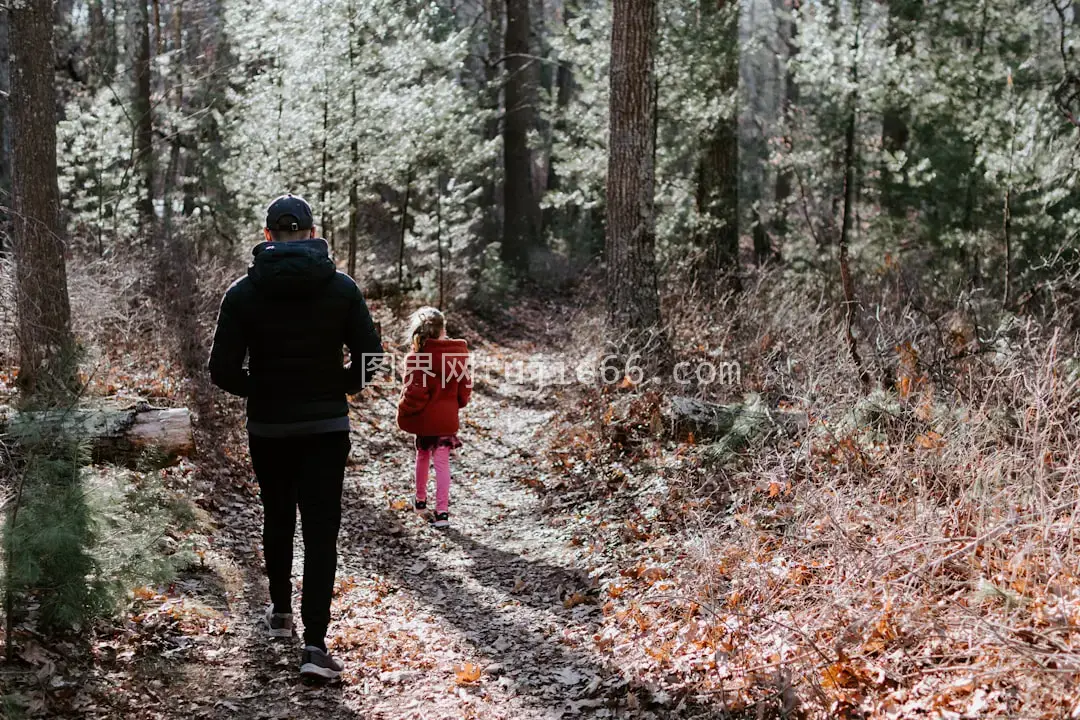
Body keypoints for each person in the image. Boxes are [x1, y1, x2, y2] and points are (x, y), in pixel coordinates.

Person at [208, 194, 383, 681]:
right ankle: (315, 645)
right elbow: (372, 356)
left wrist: (260, 391)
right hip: (326, 428)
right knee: (321, 530)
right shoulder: (341, 288)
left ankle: (281, 613)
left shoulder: (243, 292)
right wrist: (338, 388)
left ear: (268, 236)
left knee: (278, 515)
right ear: (310, 233)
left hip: (269, 427)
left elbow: (220, 369)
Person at [396, 307, 471, 529]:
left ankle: (420, 501)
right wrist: (454, 404)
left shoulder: (418, 357)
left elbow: (415, 395)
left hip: (425, 420)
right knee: (442, 465)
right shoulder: (457, 355)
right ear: (443, 329)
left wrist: (404, 409)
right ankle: (442, 513)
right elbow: (465, 389)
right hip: (446, 420)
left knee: (422, 457)